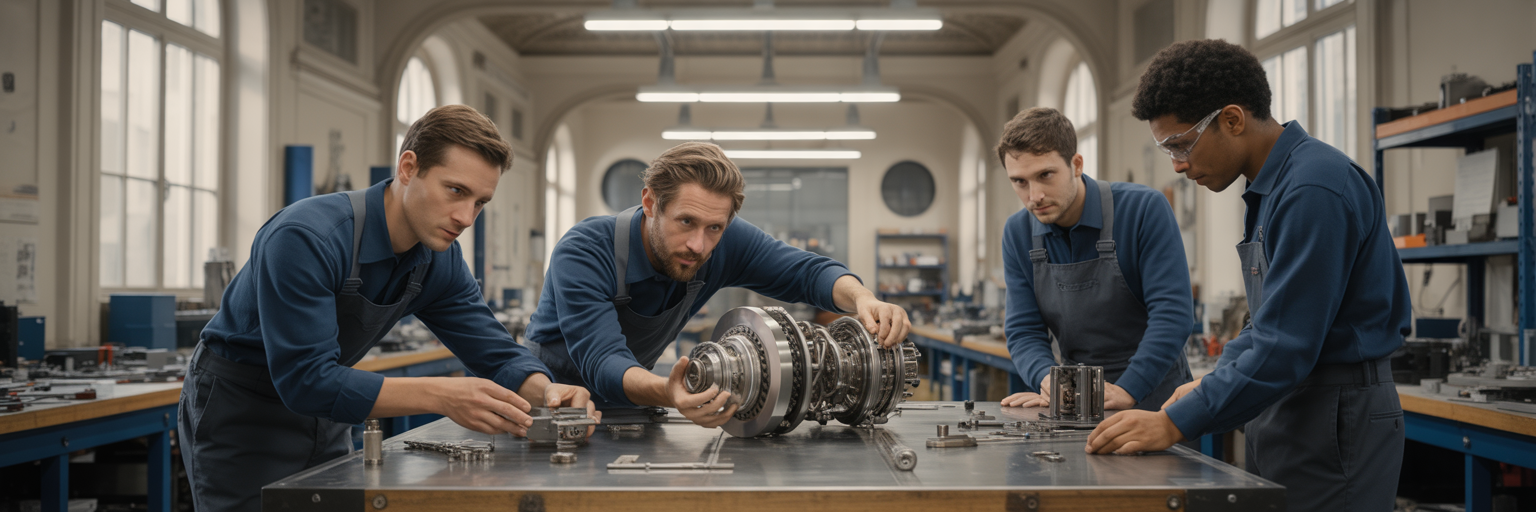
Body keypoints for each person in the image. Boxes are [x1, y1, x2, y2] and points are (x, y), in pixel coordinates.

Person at [178, 105, 596, 512]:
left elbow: (495, 352)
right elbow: (304, 379)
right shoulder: (307, 237)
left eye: (480, 202)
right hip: (241, 411)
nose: (466, 217)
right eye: (456, 191)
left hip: (330, 412)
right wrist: (442, 394)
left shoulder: (438, 257)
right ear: (409, 167)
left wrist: (550, 393)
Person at [1085, 40, 1410, 512]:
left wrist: (1173, 422)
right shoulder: (1271, 190)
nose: (1177, 165)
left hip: (1335, 414)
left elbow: (1286, 345)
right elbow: (1267, 320)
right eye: (1167, 149)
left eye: (1181, 144)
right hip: (1290, 408)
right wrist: (1215, 380)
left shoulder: (1313, 189)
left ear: (1232, 119)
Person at [524, 141, 912, 427]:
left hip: (632, 408)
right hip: (549, 410)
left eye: (715, 228)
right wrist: (670, 393)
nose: (699, 245)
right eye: (686, 222)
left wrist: (863, 298)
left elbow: (806, 273)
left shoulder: (723, 241)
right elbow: (602, 360)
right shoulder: (585, 251)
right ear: (650, 203)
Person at [994, 107, 1194, 412]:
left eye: (1045, 175)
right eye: (1020, 182)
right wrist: (1047, 381)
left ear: (1076, 164)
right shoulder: (1018, 232)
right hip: (1075, 402)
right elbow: (1023, 329)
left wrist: (1130, 389)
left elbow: (1172, 315)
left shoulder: (1143, 210)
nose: (1034, 195)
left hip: (1156, 401)